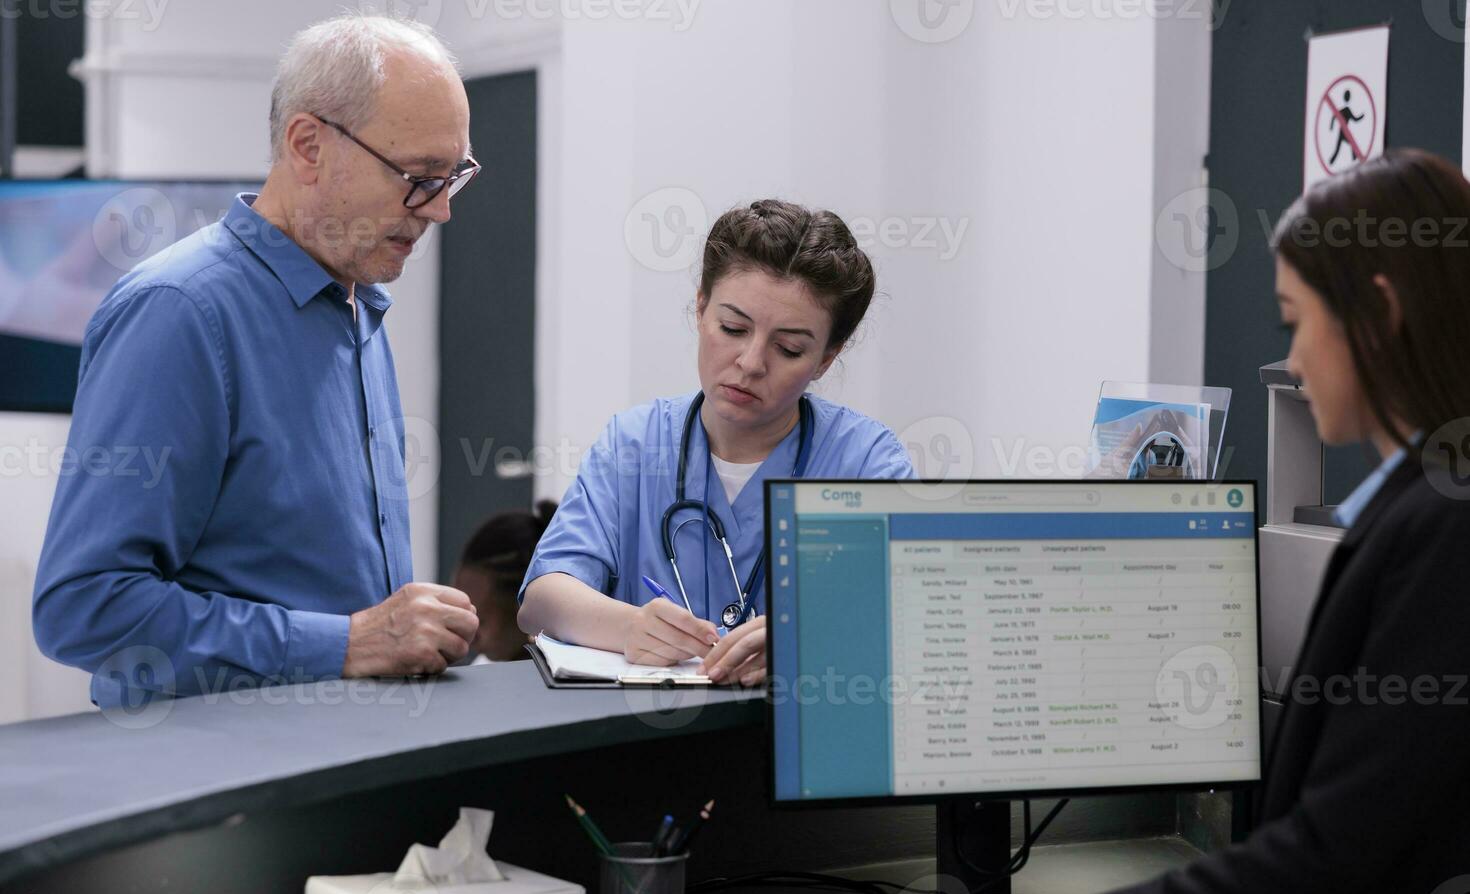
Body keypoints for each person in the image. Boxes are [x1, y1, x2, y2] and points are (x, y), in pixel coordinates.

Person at [939, 149, 1470, 894]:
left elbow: (1335, 841)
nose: (1291, 361)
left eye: (1296, 321)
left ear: (1379, 309)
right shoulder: (1426, 505)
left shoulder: (1442, 527)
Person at [32, 14, 483, 707]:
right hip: (225, 800)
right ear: (308, 146)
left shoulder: (357, 308)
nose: (441, 210)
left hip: (338, 776)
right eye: (420, 177)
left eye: (454, 176)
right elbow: (84, 607)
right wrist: (348, 642)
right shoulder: (180, 314)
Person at [517, 200, 916, 685]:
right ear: (701, 308)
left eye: (789, 348)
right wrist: (630, 627)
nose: (750, 362)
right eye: (733, 328)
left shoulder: (865, 461)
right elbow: (542, 599)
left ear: (826, 359)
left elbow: (903, 619)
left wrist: (808, 637)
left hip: (795, 738)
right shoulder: (636, 444)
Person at [452, 502, 559, 662]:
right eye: (463, 617)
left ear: (525, 607)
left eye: (481, 621)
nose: (468, 637)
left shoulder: (572, 673)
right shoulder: (484, 667)